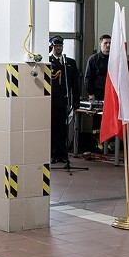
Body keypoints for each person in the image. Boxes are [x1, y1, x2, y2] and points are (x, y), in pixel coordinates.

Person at [47, 36, 80, 164]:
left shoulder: (69, 63)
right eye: (56, 46)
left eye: (60, 46)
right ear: (52, 47)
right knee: (53, 128)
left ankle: (63, 154)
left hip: (65, 101)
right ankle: (53, 154)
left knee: (63, 129)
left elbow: (75, 84)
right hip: (51, 101)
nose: (59, 48)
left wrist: (75, 100)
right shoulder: (48, 62)